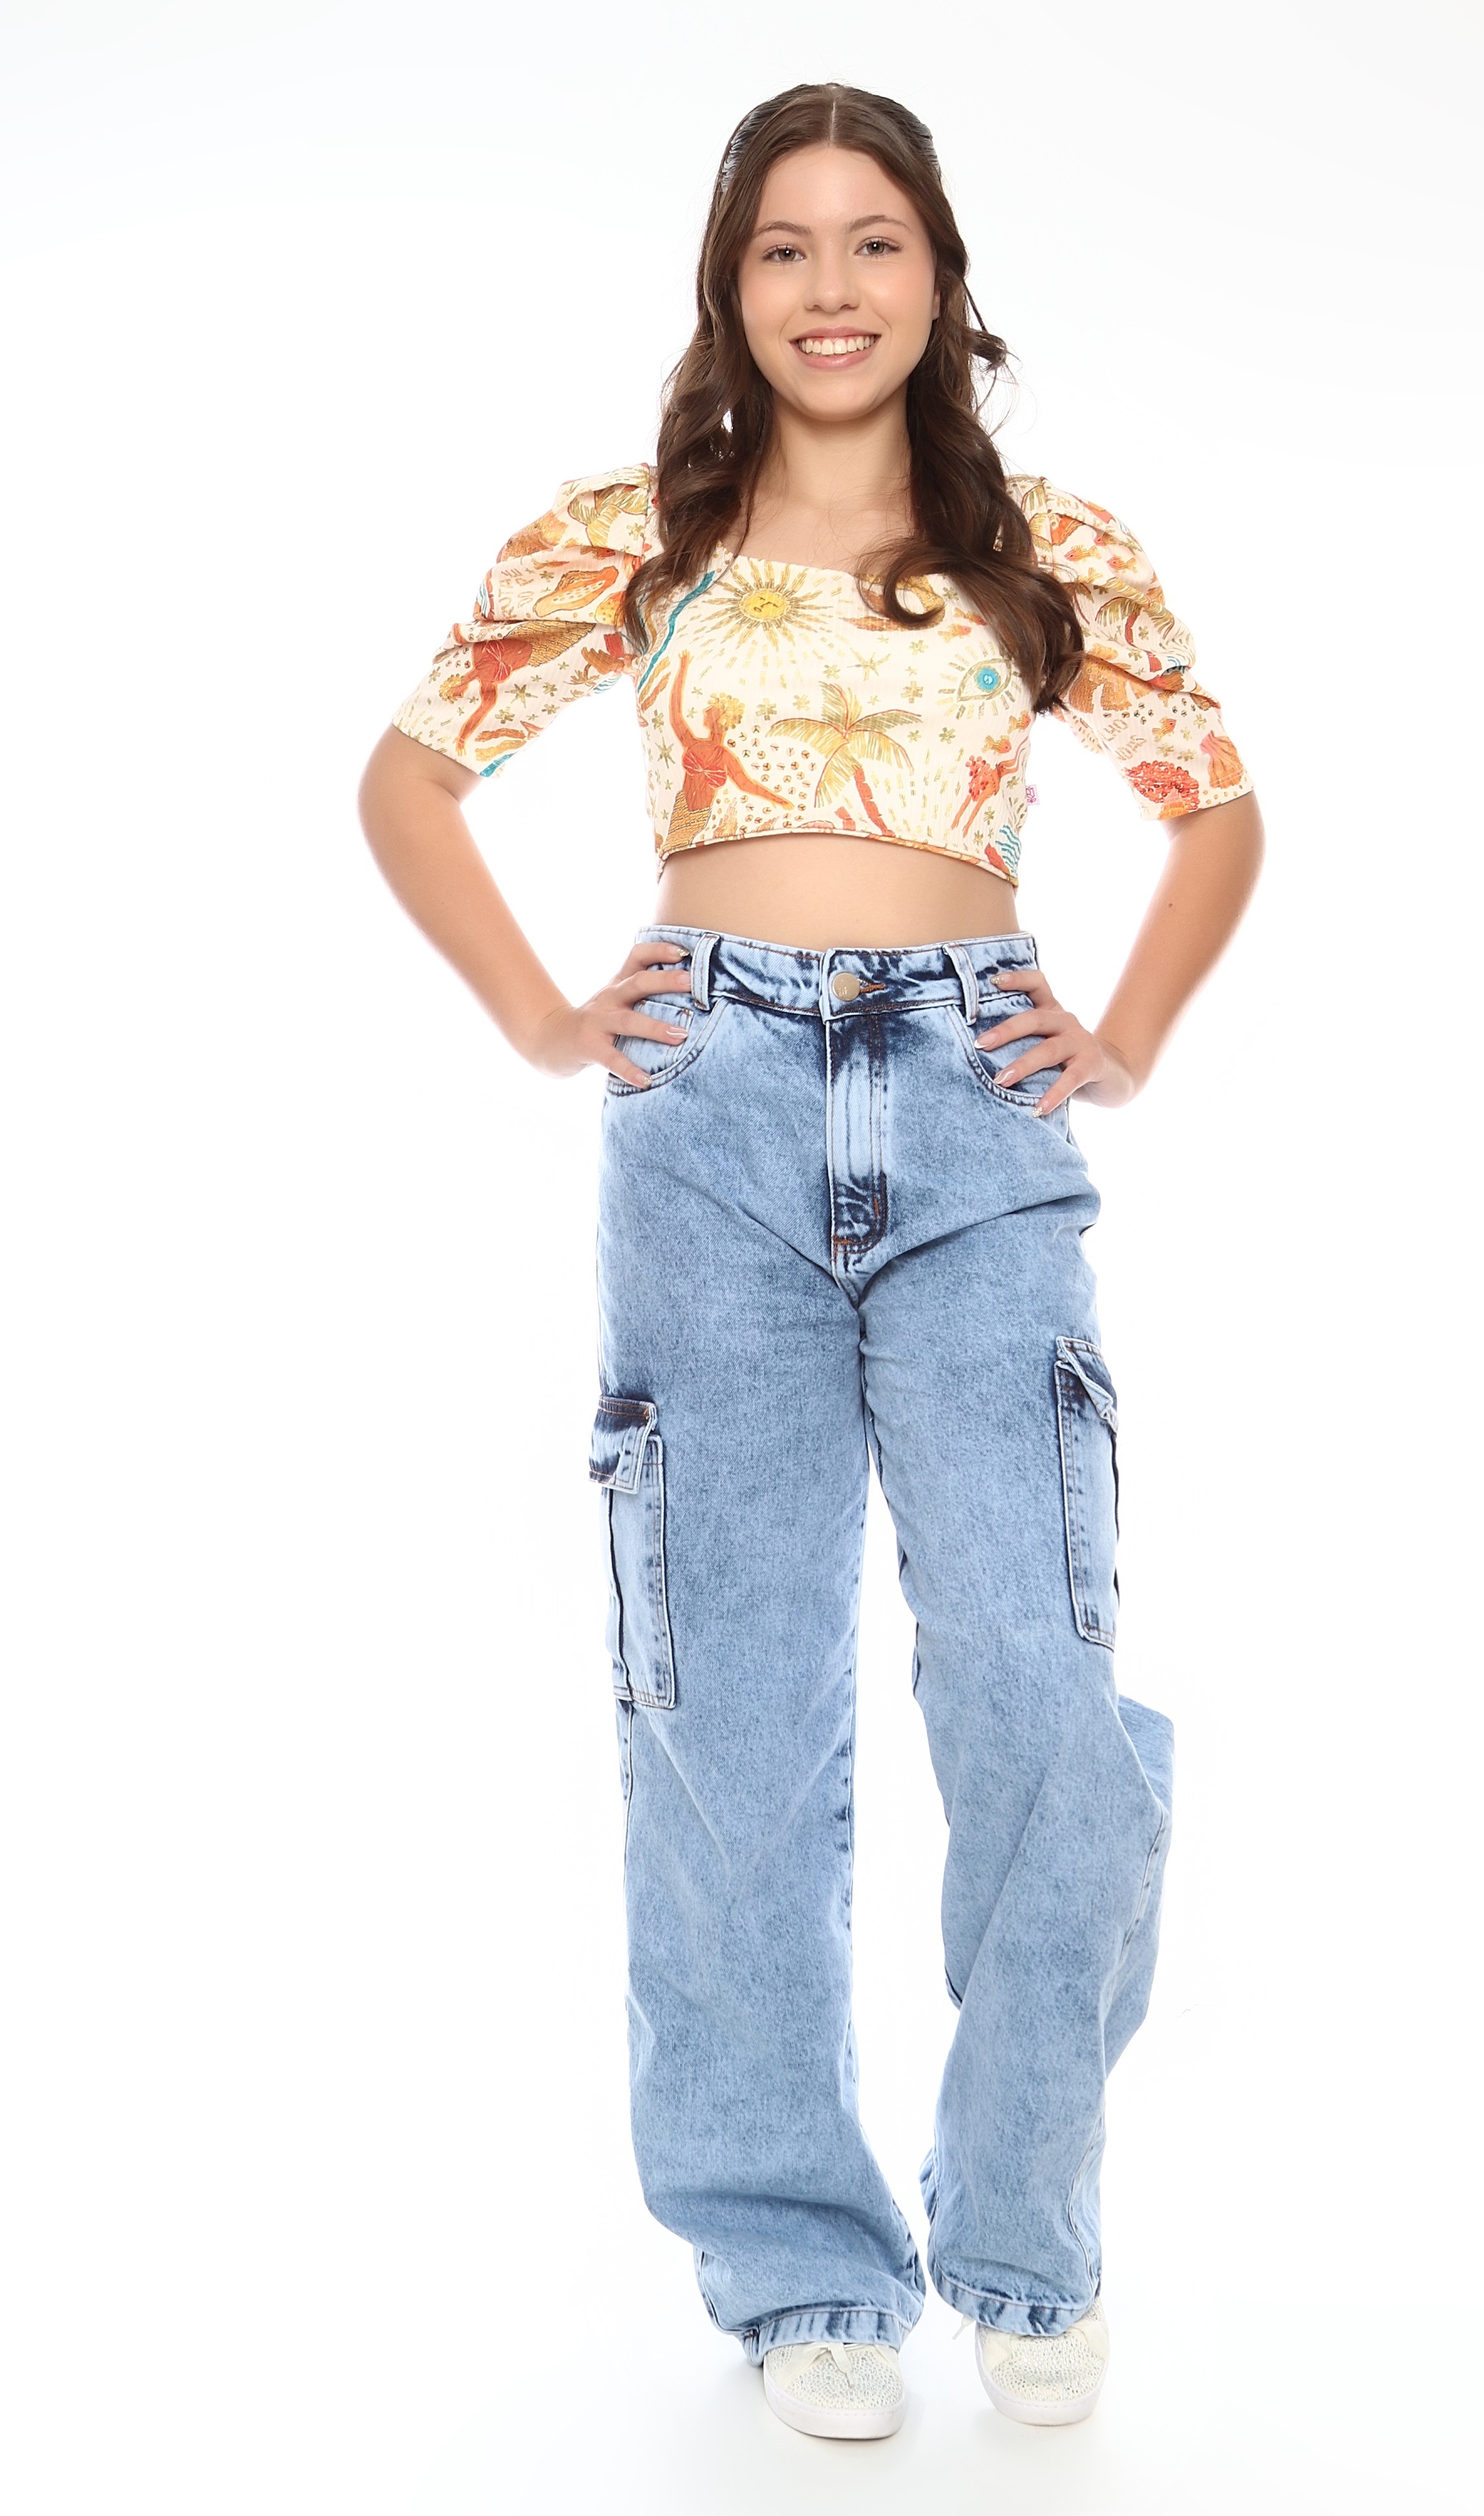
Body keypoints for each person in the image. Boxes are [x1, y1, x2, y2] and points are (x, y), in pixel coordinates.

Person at [358, 80, 1263, 2443]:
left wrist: (1122, 1040)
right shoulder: (633, 540)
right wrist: (549, 1018)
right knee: (725, 1716)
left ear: (941, 277)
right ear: (729, 282)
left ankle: (1026, 2232)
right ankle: (796, 2271)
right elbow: (409, 781)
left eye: (875, 242)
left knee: (1042, 1692)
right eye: (786, 247)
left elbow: (1216, 811)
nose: (833, 288)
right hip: (712, 1117)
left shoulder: (1041, 547)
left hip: (977, 1104)